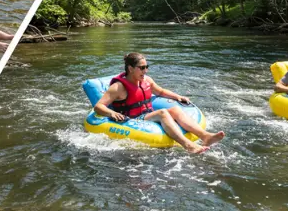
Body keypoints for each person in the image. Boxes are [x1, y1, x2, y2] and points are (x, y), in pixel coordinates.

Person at [94, 53, 225, 154]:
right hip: (132, 119)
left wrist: (178, 97)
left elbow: (161, 92)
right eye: (142, 68)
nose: (145, 71)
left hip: (147, 114)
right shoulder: (118, 87)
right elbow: (98, 107)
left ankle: (205, 136)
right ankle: (188, 145)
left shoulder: (146, 80)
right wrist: (111, 113)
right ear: (130, 68)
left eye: (146, 67)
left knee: (175, 110)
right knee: (163, 113)